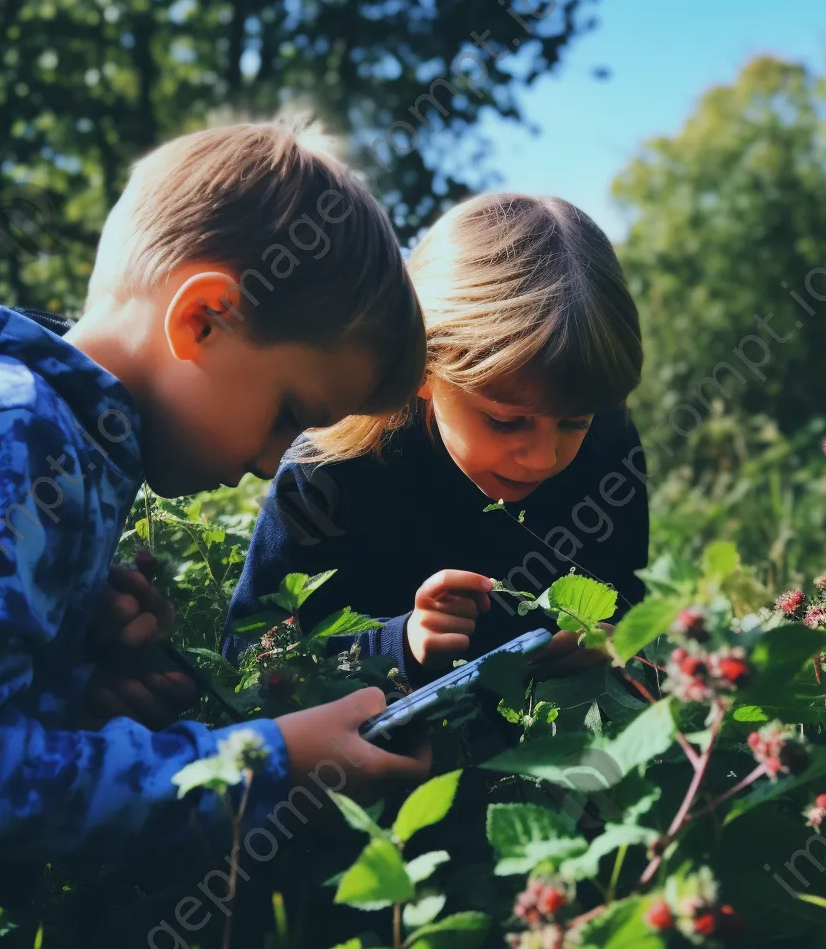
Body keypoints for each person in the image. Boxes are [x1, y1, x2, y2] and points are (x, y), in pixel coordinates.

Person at [0, 118, 431, 861]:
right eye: (289, 416)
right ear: (203, 319)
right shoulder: (10, 437)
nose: (276, 462)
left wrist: (68, 670)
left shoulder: (45, 435)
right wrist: (257, 768)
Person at [222, 193, 649, 689]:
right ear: (423, 363)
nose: (543, 457)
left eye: (575, 423)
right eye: (506, 421)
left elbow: (629, 597)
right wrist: (400, 645)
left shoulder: (610, 445)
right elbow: (247, 654)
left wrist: (616, 645)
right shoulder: (329, 474)